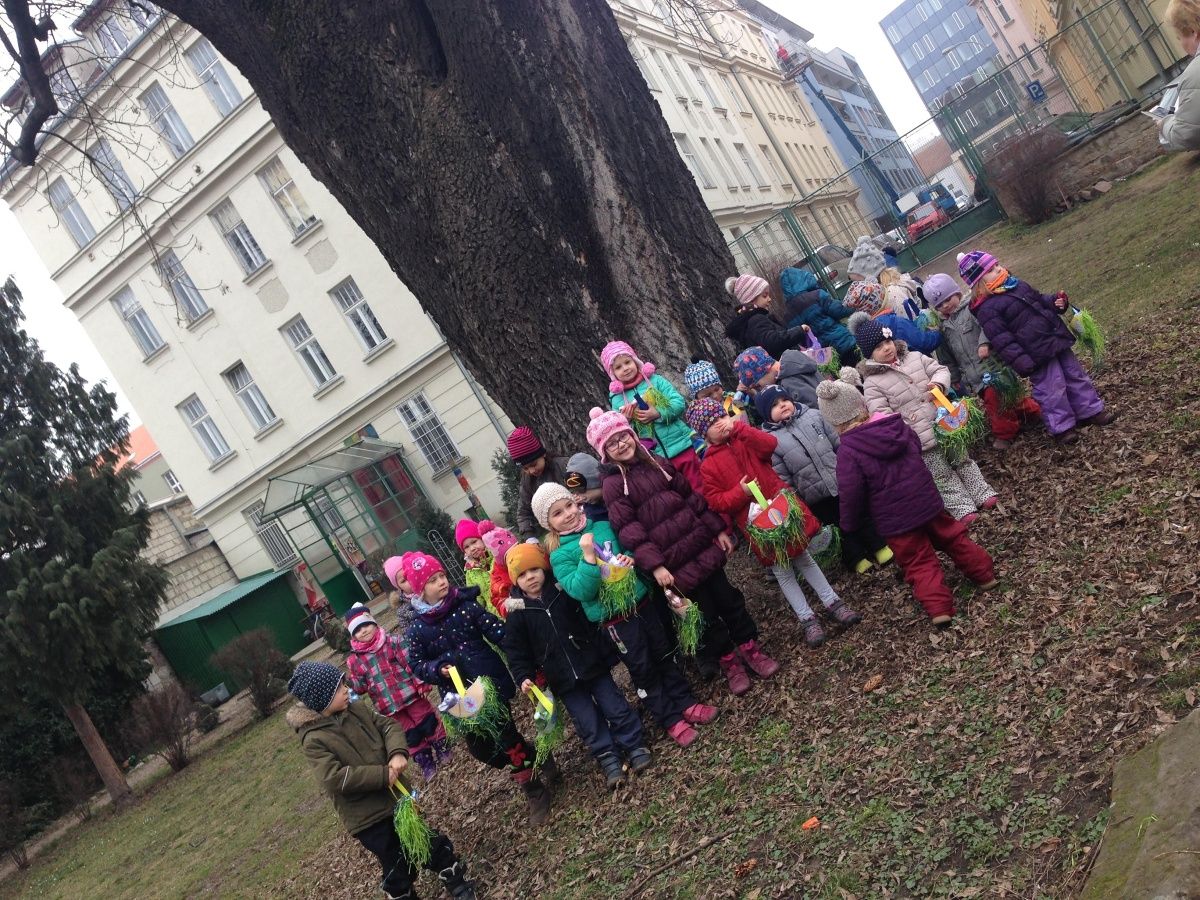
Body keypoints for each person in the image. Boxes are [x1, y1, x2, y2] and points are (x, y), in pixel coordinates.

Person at [594, 407, 780, 697]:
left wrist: (717, 529)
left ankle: (750, 647)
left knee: (728, 600)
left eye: (623, 436)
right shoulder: (613, 485)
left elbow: (690, 497)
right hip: (673, 562)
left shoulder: (657, 462)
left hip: (699, 544)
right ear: (605, 453)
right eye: (612, 443)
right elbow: (629, 529)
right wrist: (655, 565)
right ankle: (729, 661)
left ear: (632, 434)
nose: (621, 444)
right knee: (705, 614)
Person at [538, 478, 710, 748]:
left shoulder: (603, 526)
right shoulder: (560, 555)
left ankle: (685, 701)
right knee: (643, 666)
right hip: (615, 621)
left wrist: (630, 556)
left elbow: (628, 546)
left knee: (664, 653)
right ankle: (669, 718)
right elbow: (580, 590)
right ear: (548, 524)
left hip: (641, 603)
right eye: (557, 513)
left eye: (568, 505)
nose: (568, 514)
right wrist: (587, 557)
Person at [286, 660, 476, 900]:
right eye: (339, 688)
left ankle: (456, 880)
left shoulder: (357, 710)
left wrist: (397, 753)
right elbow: (334, 778)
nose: (346, 689)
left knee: (427, 842)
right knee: (398, 863)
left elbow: (389, 726)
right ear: (321, 698)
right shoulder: (314, 739)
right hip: (369, 819)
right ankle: (400, 894)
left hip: (397, 799)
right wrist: (381, 775)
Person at [816, 379, 998, 628]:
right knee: (952, 537)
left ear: (834, 422)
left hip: (895, 520)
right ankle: (984, 574)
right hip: (926, 500)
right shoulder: (895, 425)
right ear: (862, 405)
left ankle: (939, 609)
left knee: (918, 561)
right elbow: (915, 445)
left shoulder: (848, 452)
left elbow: (851, 492)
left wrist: (849, 524)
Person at [398, 552, 558, 825]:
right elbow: (416, 664)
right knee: (481, 749)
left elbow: (499, 633)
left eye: (441, 576)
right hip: (458, 698)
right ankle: (532, 755)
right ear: (419, 590)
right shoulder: (416, 630)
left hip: (489, 685)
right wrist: (437, 669)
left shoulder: (465, 607)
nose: (441, 582)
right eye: (432, 580)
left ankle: (535, 791)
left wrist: (526, 655)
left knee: (507, 738)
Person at [687, 398, 860, 650]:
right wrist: (740, 492)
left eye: (722, 417)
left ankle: (833, 602)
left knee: (804, 557)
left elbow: (769, 445)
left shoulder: (744, 437)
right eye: (712, 423)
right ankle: (807, 618)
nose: (721, 423)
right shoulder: (708, 465)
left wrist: (740, 428)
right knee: (782, 571)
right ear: (704, 433)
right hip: (758, 526)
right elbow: (716, 501)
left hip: (781, 508)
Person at [502, 542, 652, 789]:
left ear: (544, 569)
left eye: (534, 570)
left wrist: (603, 651)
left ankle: (634, 744)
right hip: (560, 677)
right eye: (522, 574)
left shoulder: (562, 590)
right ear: (515, 580)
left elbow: (588, 621)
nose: (530, 577)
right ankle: (609, 758)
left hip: (591, 662)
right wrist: (523, 676)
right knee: (587, 720)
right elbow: (516, 651)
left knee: (614, 705)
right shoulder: (517, 612)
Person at [959, 250, 1115, 445]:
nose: (998, 269)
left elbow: (1040, 300)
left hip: (1054, 337)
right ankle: (1062, 427)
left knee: (1075, 375)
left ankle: (1090, 410)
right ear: (979, 283)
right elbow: (1003, 341)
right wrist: (1021, 361)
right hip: (1035, 354)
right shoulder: (987, 309)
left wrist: (1056, 303)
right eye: (990, 270)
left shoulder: (1017, 285)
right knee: (1051, 389)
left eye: (997, 264)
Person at [852, 316, 997, 523]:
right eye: (878, 347)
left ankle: (981, 492)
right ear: (870, 355)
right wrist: (904, 427)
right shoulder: (873, 383)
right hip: (919, 439)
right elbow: (881, 415)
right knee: (941, 475)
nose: (886, 348)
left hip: (944, 423)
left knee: (962, 460)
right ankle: (963, 507)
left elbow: (940, 370)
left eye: (887, 341)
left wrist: (938, 384)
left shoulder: (915, 357)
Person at [756, 385, 893, 575]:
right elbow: (782, 475)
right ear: (766, 414)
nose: (783, 405)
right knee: (837, 526)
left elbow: (838, 443)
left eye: (785, 399)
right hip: (814, 494)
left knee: (860, 513)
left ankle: (879, 546)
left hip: (841, 479)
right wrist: (796, 499)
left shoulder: (813, 416)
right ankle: (856, 558)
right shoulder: (770, 441)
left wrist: (850, 468)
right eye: (774, 405)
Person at [922, 273, 1041, 450]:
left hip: (992, 367)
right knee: (1010, 399)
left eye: (947, 299)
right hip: (974, 376)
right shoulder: (943, 327)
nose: (945, 305)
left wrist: (985, 342)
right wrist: (954, 377)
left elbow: (989, 324)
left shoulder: (973, 308)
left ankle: (1004, 434)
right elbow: (947, 356)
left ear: (957, 293)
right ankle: (1034, 412)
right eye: (939, 305)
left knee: (996, 403)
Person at [344, 603, 450, 780]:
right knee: (409, 734)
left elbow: (410, 663)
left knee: (427, 721)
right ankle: (425, 761)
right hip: (388, 705)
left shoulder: (392, 642)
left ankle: (442, 746)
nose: (363, 631)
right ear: (353, 636)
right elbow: (361, 686)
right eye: (357, 630)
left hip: (411, 694)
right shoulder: (355, 661)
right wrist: (350, 683)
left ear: (374, 623)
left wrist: (421, 683)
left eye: (366, 625)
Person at [601, 340, 703, 490]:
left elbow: (679, 403)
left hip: (681, 444)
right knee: (678, 492)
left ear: (635, 361)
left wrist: (658, 413)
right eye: (618, 367)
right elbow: (622, 433)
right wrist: (627, 421)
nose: (625, 368)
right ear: (613, 374)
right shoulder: (617, 399)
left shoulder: (655, 380)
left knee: (700, 485)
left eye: (627, 362)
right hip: (656, 457)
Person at [779, 267, 860, 366]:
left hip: (824, 356)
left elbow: (799, 339)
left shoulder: (787, 316)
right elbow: (838, 311)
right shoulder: (816, 295)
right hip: (842, 342)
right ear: (803, 280)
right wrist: (853, 307)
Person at [724, 272, 812, 357]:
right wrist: (799, 331)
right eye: (765, 296)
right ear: (751, 299)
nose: (769, 299)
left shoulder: (752, 320)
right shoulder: (756, 320)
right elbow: (773, 342)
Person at [507, 426, 570, 542]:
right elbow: (523, 512)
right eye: (526, 468)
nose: (531, 471)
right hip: (558, 534)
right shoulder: (527, 480)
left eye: (533, 464)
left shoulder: (563, 466)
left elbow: (582, 491)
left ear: (543, 455)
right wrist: (529, 537)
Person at [843, 281, 940, 355]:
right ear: (882, 301)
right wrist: (936, 333)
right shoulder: (895, 322)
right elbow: (923, 343)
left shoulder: (867, 331)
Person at [1161, 0, 1200, 151]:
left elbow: (1186, 135)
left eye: (1179, 38)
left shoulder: (1195, 74)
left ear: (1193, 32)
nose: (1181, 44)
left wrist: (1164, 123)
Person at [732, 345, 824, 409]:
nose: (762, 389)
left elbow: (815, 408)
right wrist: (754, 395)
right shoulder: (792, 366)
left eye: (758, 386)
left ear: (765, 370)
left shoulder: (789, 384)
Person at [683, 357, 752, 421]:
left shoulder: (731, 399)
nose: (715, 396)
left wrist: (750, 394)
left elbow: (746, 416)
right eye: (707, 395)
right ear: (697, 399)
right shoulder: (700, 419)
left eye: (717, 389)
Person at [454, 519, 494, 616]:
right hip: (496, 616)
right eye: (466, 547)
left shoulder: (497, 556)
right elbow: (477, 599)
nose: (472, 548)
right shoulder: (470, 573)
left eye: (474, 542)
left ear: (482, 538)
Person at [477, 520, 517, 617]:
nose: (516, 556)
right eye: (509, 556)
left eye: (516, 550)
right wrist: (518, 604)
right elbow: (498, 601)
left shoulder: (527, 554)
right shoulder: (498, 578)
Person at [564, 451, 608, 521]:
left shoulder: (620, 494)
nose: (578, 496)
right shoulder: (590, 510)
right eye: (573, 492)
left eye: (581, 490)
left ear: (596, 483)